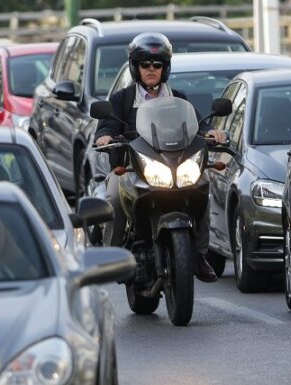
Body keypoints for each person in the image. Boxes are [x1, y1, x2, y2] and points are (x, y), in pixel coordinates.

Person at [93, 32, 226, 282]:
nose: (151, 69)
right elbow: (107, 126)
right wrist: (106, 137)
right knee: (112, 197)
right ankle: (113, 257)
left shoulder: (177, 98)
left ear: (165, 68)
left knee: (202, 186)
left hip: (174, 166)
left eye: (157, 64)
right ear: (136, 67)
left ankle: (198, 253)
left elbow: (198, 125)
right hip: (132, 168)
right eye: (145, 64)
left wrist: (212, 132)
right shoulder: (122, 99)